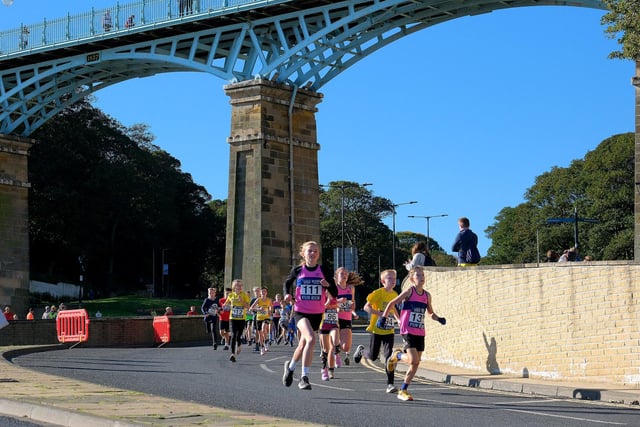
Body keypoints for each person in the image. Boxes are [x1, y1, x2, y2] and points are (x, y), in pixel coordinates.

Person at [381, 267, 446, 401]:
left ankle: (403, 390)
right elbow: (392, 303)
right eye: (418, 275)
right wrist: (383, 317)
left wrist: (438, 318)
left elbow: (430, 312)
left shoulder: (427, 295)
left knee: (415, 364)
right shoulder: (410, 291)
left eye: (423, 275)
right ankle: (397, 355)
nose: (421, 277)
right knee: (413, 359)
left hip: (420, 331)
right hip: (407, 330)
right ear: (412, 278)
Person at [282, 241, 338, 390]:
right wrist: (287, 294)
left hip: (317, 313)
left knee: (303, 344)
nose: (312, 253)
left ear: (318, 254)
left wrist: (328, 286)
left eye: (315, 251)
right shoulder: (298, 270)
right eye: (309, 251)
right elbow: (287, 283)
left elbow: (335, 294)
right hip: (300, 311)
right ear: (303, 253)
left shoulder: (323, 270)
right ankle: (304, 377)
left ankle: (291, 367)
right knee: (312, 339)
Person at [353, 269, 400, 393]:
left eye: (394, 279)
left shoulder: (395, 294)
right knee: (373, 356)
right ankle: (362, 351)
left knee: (389, 356)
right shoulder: (378, 293)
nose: (392, 281)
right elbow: (366, 307)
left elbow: (393, 308)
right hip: (377, 329)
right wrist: (380, 313)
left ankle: (390, 384)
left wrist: (399, 320)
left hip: (389, 330)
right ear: (383, 281)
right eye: (389, 278)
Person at [335, 267, 359, 367]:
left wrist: (354, 311)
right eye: (342, 274)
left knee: (345, 347)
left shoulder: (351, 288)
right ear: (337, 276)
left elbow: (352, 303)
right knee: (334, 339)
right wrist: (338, 302)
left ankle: (336, 349)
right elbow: (326, 303)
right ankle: (336, 355)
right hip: (334, 317)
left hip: (346, 317)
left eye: (346, 274)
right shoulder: (334, 288)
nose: (344, 276)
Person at [222, 279, 250, 362]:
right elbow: (225, 304)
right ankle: (233, 354)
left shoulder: (245, 295)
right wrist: (224, 306)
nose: (238, 287)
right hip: (233, 318)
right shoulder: (230, 295)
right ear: (234, 287)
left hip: (241, 318)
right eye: (237, 285)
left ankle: (239, 345)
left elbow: (248, 306)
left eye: (240, 285)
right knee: (233, 335)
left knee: (239, 335)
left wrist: (242, 301)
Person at [319, 289, 340, 380]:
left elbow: (337, 307)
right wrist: (328, 300)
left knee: (336, 338)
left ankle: (337, 354)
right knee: (325, 349)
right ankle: (324, 369)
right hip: (323, 325)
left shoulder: (335, 297)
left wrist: (339, 308)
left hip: (333, 323)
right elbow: (322, 308)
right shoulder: (321, 298)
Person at [249, 287, 272, 355]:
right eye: (262, 291)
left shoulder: (269, 300)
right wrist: (258, 309)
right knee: (260, 333)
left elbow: (271, 308)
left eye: (264, 291)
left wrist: (270, 311)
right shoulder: (258, 300)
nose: (263, 292)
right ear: (260, 293)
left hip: (266, 317)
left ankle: (266, 342)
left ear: (266, 293)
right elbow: (251, 308)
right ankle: (262, 347)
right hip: (259, 318)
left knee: (263, 328)